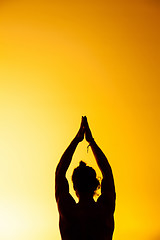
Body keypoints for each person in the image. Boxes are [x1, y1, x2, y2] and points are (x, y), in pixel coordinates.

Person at [55, 116, 116, 240]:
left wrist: (77, 139)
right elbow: (107, 173)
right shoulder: (104, 211)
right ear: (96, 185)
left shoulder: (68, 211)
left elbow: (60, 173)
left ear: (74, 186)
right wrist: (91, 141)